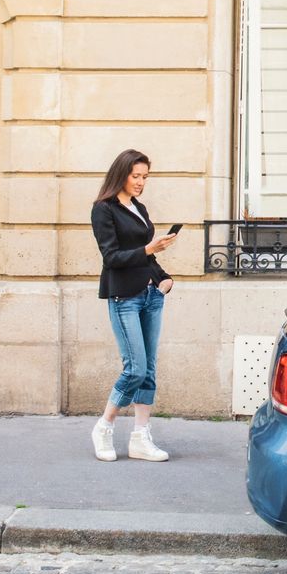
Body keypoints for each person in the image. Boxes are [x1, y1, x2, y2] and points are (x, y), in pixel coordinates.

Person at [89, 149, 176, 462]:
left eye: (145, 177)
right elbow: (112, 257)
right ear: (121, 174)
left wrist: (163, 277)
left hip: (152, 294)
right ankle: (104, 425)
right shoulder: (104, 210)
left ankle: (140, 436)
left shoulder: (138, 207)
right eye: (136, 176)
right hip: (123, 295)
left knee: (149, 369)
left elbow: (144, 255)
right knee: (135, 368)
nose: (141, 182)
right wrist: (149, 248)